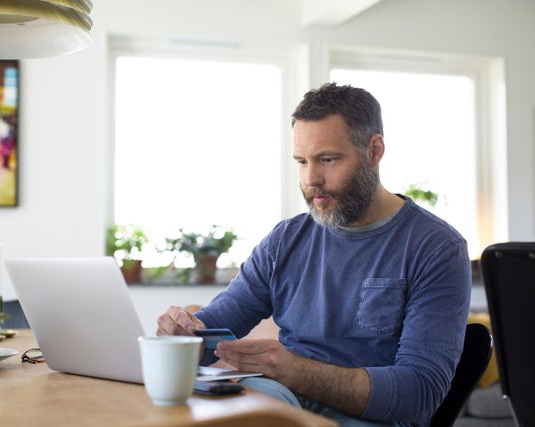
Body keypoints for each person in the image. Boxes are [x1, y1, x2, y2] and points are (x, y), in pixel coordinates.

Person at [156, 82, 472, 427]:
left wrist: (294, 371)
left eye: (328, 159)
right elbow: (215, 328)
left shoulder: (437, 248)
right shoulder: (286, 239)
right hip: (281, 404)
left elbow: (418, 395)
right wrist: (184, 335)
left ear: (374, 150)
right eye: (302, 161)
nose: (311, 179)